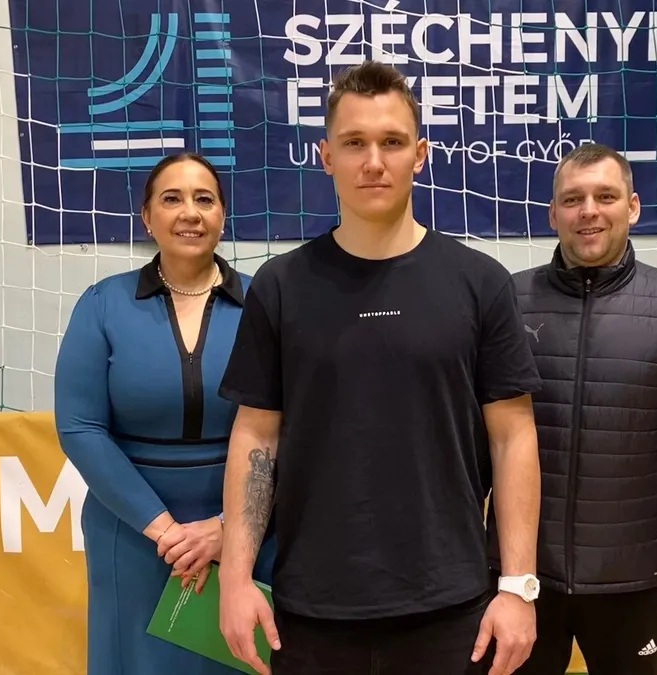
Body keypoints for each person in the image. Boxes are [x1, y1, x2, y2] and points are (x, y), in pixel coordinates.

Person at [215, 60, 544, 675]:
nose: (373, 161)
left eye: (392, 142)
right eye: (354, 143)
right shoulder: (281, 286)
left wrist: (518, 586)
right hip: (311, 610)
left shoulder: (480, 283)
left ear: (420, 155)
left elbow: (513, 436)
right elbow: (256, 436)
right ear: (325, 157)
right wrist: (235, 579)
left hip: (452, 609)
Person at [499, 143, 657, 675]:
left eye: (605, 196)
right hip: (521, 581)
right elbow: (473, 444)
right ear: (553, 214)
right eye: (573, 199)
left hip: (631, 581)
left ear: (632, 207)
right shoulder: (507, 303)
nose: (589, 211)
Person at [53, 152, 277, 675]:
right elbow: (80, 428)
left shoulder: (268, 303)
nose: (189, 212)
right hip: (133, 536)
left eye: (205, 199)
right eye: (172, 199)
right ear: (147, 217)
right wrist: (166, 533)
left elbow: (295, 426)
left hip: (249, 534)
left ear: (223, 215)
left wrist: (228, 529)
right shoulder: (102, 304)